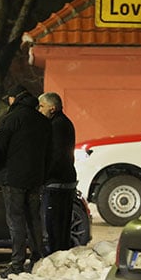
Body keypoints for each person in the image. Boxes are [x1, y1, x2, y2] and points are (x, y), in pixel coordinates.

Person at [0, 85, 51, 278]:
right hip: (35, 178)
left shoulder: (11, 119)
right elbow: (50, 152)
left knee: (15, 219)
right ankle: (37, 256)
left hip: (14, 178)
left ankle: (17, 262)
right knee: (34, 217)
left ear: (13, 98)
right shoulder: (42, 121)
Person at [38, 92, 77, 253]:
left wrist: (44, 176)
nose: (39, 110)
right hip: (65, 180)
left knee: (54, 226)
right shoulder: (65, 123)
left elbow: (56, 156)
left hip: (56, 182)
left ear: (52, 108)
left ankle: (54, 256)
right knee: (61, 227)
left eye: (42, 106)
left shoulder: (56, 126)